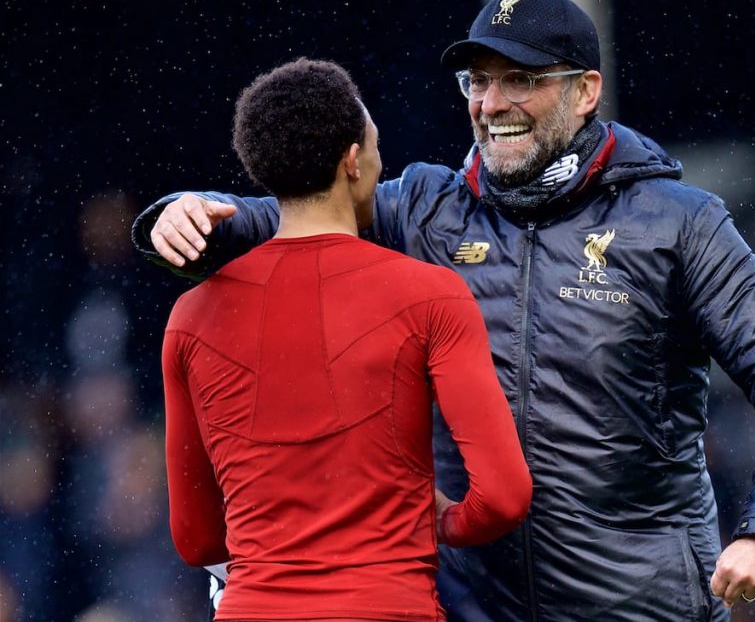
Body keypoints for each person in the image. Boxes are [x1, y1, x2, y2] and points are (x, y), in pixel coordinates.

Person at [137, 0, 755, 621]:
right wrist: (185, 212)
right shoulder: (425, 207)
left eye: (522, 80)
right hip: (468, 606)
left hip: (643, 606)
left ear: (584, 91)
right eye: (477, 81)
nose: (492, 103)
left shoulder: (676, 221)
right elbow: (297, 210)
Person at [160, 58, 531, 621]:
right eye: (377, 148)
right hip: (389, 607)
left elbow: (194, 538)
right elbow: (503, 497)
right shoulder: (432, 295)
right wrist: (441, 521)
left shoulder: (191, 317)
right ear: (353, 161)